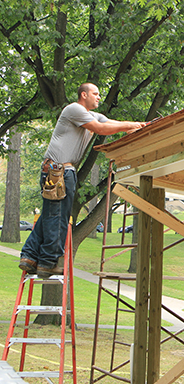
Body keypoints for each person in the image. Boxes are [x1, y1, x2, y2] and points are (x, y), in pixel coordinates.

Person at [19, 83, 146, 278]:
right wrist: (131, 126)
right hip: (56, 170)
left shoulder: (93, 115)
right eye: (95, 94)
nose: (98, 97)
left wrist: (137, 125)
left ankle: (29, 255)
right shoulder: (74, 109)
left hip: (63, 170)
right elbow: (101, 129)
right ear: (83, 94)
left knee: (50, 215)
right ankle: (47, 262)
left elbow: (110, 123)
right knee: (57, 218)